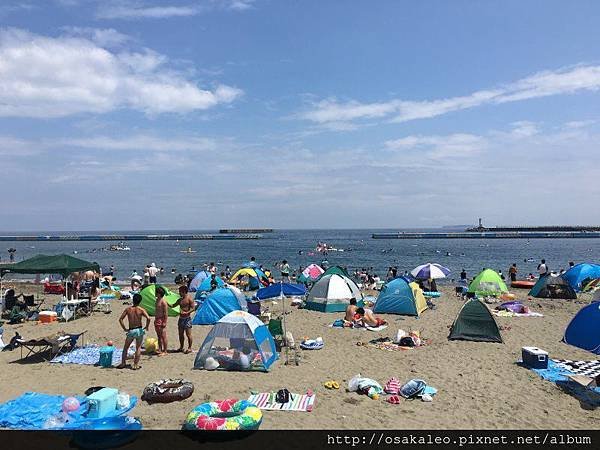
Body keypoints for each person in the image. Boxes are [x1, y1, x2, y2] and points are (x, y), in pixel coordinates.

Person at [117, 293, 150, 370]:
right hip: (139, 329)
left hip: (131, 330)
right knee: (138, 348)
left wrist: (124, 328)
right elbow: (148, 318)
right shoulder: (141, 309)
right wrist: (147, 326)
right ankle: (135, 365)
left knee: (126, 348)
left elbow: (120, 319)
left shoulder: (128, 309)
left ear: (133, 300)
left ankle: (123, 363)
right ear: (140, 301)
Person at [173, 286, 196, 354]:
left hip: (187, 319)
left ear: (184, 292)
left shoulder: (189, 299)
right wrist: (166, 302)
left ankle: (189, 348)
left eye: (180, 292)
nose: (179, 293)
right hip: (181, 318)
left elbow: (193, 308)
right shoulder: (180, 300)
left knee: (188, 334)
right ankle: (181, 347)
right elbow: (173, 305)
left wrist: (187, 312)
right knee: (180, 334)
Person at [154, 286, 168, 356]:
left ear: (159, 293)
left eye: (156, 292)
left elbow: (166, 313)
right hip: (156, 319)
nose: (155, 293)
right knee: (159, 336)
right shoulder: (157, 300)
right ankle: (160, 349)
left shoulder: (163, 302)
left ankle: (165, 351)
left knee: (163, 336)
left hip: (161, 319)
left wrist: (164, 322)